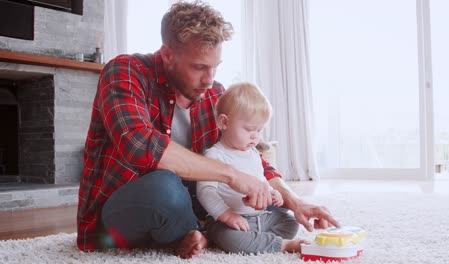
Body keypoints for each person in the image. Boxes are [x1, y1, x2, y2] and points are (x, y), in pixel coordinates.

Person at [77, 1, 339, 259]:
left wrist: (296, 202)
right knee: (165, 184)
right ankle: (192, 231)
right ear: (168, 55)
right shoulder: (125, 71)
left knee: (267, 207)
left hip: (189, 208)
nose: (210, 78)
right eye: (199, 67)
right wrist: (231, 175)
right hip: (121, 217)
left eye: (215, 66)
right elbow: (139, 144)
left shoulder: (215, 95)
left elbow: (247, 156)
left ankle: (190, 234)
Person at [198, 82, 310, 254]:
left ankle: (255, 240)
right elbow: (206, 192)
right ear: (224, 122)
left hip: (259, 217)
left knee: (290, 222)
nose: (255, 136)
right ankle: (282, 245)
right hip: (226, 221)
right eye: (250, 129)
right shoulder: (214, 155)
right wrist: (227, 215)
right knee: (229, 237)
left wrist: (273, 193)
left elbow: (261, 180)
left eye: (259, 130)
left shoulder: (253, 154)